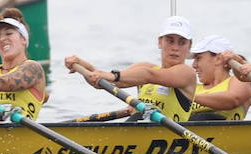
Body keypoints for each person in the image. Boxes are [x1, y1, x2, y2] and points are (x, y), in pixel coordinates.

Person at [64, 16, 198, 121]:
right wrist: (81, 65)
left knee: (140, 116)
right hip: (140, 128)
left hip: (169, 137)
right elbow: (103, 82)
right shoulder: (144, 67)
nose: (175, 47)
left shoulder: (186, 73)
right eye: (170, 40)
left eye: (182, 42)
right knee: (139, 117)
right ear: (159, 42)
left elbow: (149, 75)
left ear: (189, 46)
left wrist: (112, 75)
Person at [187, 35, 251, 121]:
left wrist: (189, 97)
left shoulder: (239, 79)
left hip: (227, 132)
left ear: (218, 59)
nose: (194, 65)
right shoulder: (193, 88)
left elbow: (233, 99)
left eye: (198, 58)